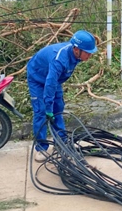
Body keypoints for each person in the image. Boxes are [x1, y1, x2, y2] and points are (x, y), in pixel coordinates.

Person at [27, 30, 97, 162]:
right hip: (37, 78)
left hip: (53, 79)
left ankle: (61, 142)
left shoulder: (76, 55)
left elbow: (54, 81)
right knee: (41, 112)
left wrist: (53, 106)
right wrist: (48, 107)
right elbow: (49, 84)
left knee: (58, 109)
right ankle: (41, 148)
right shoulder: (59, 59)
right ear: (76, 49)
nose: (90, 55)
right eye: (88, 52)